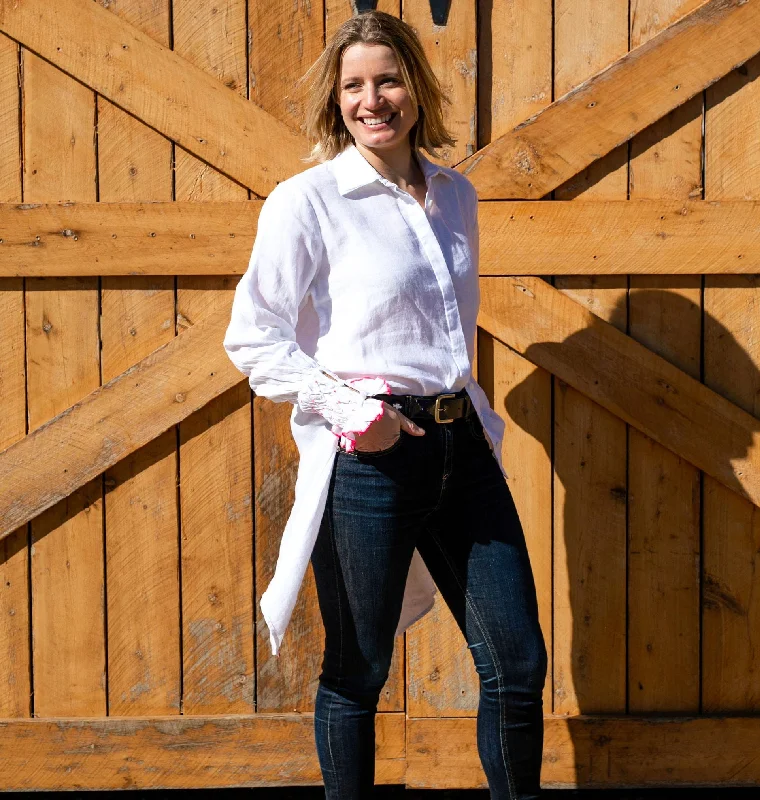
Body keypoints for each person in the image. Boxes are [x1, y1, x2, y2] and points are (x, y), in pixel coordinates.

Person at [223, 10, 547, 799]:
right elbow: (254, 337)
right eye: (355, 86)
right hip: (371, 458)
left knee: (517, 660)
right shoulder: (309, 201)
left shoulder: (455, 194)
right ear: (336, 101)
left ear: (416, 88)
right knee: (359, 667)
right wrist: (349, 412)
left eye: (389, 79)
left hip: (460, 446)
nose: (375, 100)